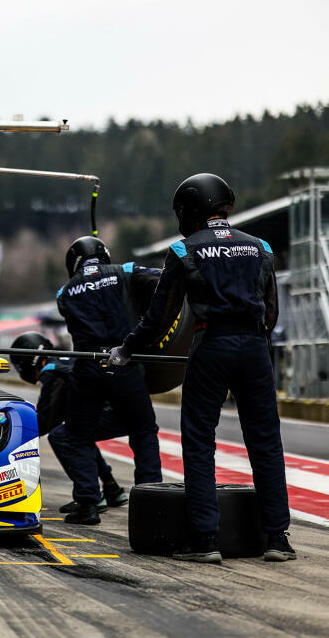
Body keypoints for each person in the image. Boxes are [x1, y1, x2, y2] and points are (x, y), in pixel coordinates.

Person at [109, 173, 294, 563]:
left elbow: (161, 316)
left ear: (190, 208)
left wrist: (126, 349)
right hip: (255, 348)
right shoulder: (260, 247)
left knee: (198, 441)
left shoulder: (183, 251)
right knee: (265, 441)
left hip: (212, 347)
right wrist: (254, 342)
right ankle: (278, 538)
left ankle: (205, 540)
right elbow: (271, 311)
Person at [56, 236, 163, 524]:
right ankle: (151, 502)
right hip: (125, 362)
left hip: (87, 367)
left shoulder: (63, 293)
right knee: (143, 432)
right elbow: (163, 282)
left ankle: (89, 505)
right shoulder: (125, 270)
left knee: (78, 436)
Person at [9, 331, 127, 513]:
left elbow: (46, 419)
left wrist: (18, 436)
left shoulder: (52, 372)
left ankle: (89, 497)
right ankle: (111, 488)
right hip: (125, 407)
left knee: (63, 437)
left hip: (112, 412)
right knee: (76, 432)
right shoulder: (65, 359)